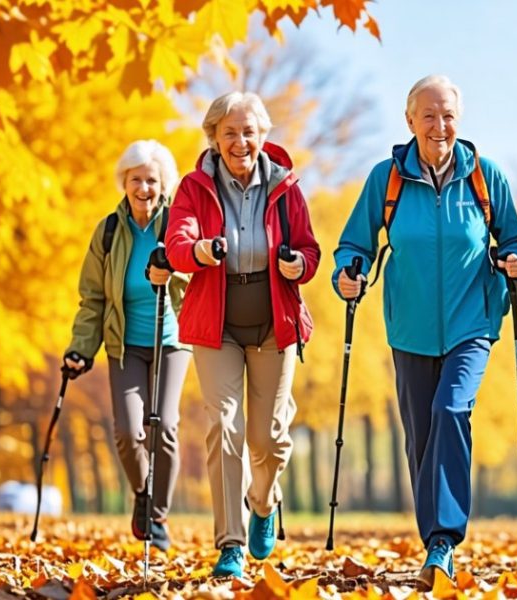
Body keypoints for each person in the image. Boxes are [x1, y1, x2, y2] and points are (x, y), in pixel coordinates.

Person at [333, 75, 517, 586]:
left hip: (472, 323)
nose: (439, 125)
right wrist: (349, 271)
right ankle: (433, 539)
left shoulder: (485, 177)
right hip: (410, 327)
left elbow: (513, 237)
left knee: (451, 409)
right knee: (420, 436)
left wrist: (515, 261)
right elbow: (356, 242)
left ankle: (442, 541)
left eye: (448, 116)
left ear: (458, 120)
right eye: (429, 115)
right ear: (410, 120)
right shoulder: (388, 178)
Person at [165, 91, 320, 577]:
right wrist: (199, 254)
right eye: (229, 132)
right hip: (218, 324)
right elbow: (176, 243)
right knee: (224, 427)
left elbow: (310, 251)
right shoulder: (194, 186)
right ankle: (230, 543)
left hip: (275, 323)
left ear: (263, 136)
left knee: (269, 437)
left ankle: (263, 501)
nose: (240, 141)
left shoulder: (286, 186)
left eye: (248, 131)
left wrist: (298, 264)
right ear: (213, 137)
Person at [64, 139, 188, 551]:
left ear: (162, 184)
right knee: (127, 432)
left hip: (171, 341)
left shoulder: (178, 224)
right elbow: (93, 297)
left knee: (164, 427)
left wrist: (172, 274)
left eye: (151, 180)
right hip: (125, 345)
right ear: (125, 181)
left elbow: (196, 279)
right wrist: (81, 347)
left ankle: (157, 516)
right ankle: (142, 491)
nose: (143, 188)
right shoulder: (109, 231)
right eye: (136, 179)